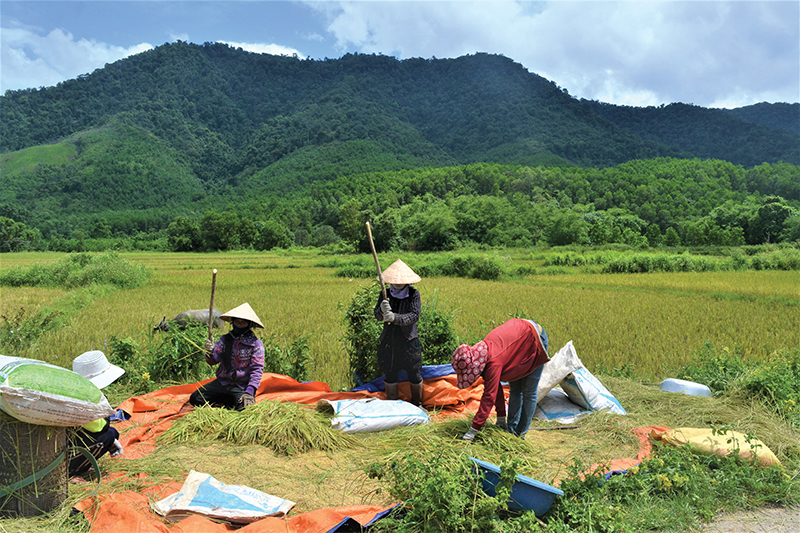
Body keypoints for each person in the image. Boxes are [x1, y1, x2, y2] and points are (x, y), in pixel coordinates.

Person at [451, 318, 549, 441]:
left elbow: (489, 397)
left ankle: (520, 435)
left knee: (528, 391)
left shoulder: (493, 361)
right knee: (515, 389)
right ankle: (511, 429)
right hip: (518, 343)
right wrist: (501, 418)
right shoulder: (482, 352)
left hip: (534, 338)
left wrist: (473, 430)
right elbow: (495, 387)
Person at [189, 302, 265, 411]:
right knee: (196, 398)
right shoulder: (225, 340)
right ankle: (227, 399)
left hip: (241, 385)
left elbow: (257, 370)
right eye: (237, 322)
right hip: (223, 382)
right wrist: (210, 352)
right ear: (232, 322)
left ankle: (231, 399)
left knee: (244, 408)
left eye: (243, 323)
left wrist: (249, 392)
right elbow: (214, 360)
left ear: (249, 324)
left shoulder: (256, 344)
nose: (239, 325)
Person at [373, 259, 424, 406]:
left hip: (408, 340)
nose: (397, 283)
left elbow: (414, 315)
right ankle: (392, 405)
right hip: (390, 340)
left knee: (414, 373)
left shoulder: (414, 294)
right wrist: (382, 312)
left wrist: (395, 317)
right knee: (390, 373)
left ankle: (417, 404)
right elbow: (377, 315)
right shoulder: (385, 293)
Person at [69, 350, 125, 477]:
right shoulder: (84, 400)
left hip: (65, 444)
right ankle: (73, 472)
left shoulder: (72, 393)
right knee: (109, 435)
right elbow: (98, 427)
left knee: (111, 433)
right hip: (67, 450)